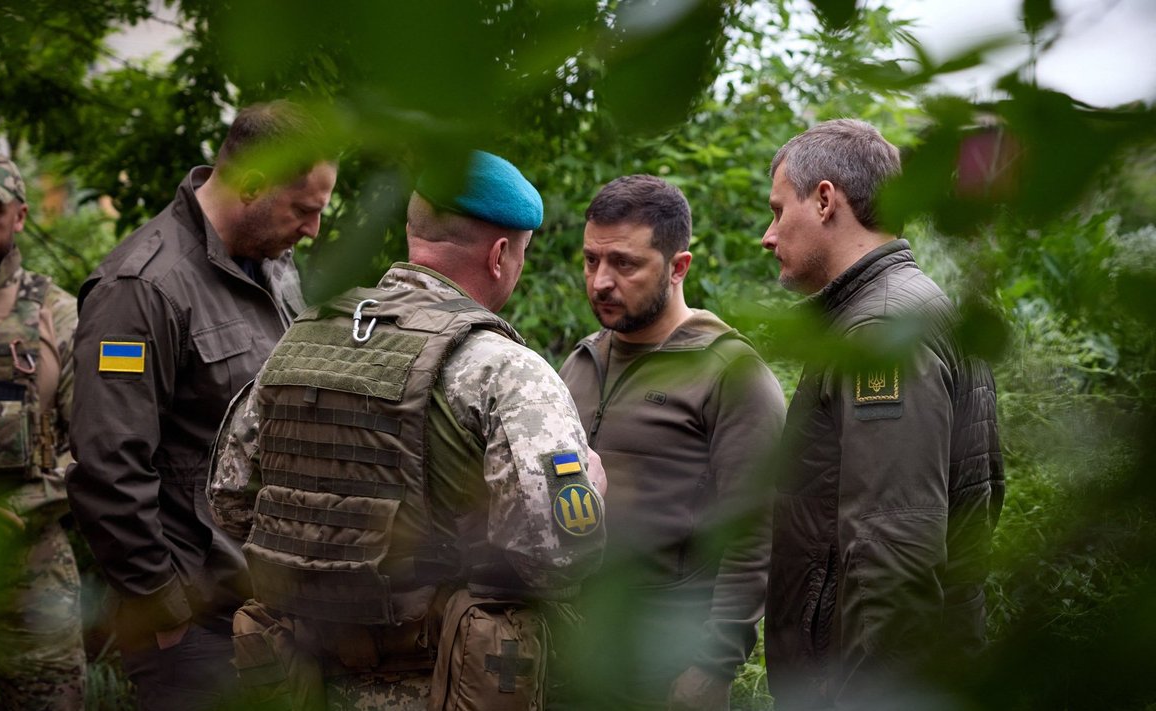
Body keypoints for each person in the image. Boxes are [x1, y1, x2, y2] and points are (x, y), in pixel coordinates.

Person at [208, 149, 606, 710]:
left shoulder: (301, 343)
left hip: (306, 679)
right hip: (441, 682)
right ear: (499, 255)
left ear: (414, 234)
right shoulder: (502, 369)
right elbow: (561, 550)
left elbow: (229, 500)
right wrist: (592, 487)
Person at [66, 100, 337, 710]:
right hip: (198, 627)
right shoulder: (141, 290)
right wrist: (166, 610)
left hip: (278, 609)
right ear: (252, 186)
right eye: (305, 210)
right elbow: (107, 466)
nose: (313, 230)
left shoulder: (275, 265)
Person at [760, 119, 1005, 709]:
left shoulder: (882, 331)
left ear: (824, 200)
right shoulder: (905, 309)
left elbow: (893, 548)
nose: (768, 236)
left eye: (776, 210)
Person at [558, 175, 786, 710]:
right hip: (571, 654)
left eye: (625, 264)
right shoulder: (579, 363)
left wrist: (713, 664)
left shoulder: (731, 372)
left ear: (678, 267)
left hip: (667, 665)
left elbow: (756, 531)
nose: (601, 282)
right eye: (591, 261)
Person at [0, 148, 85, 709]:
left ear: (21, 216)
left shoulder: (60, 313)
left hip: (32, 568)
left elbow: (96, 446)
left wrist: (23, 506)